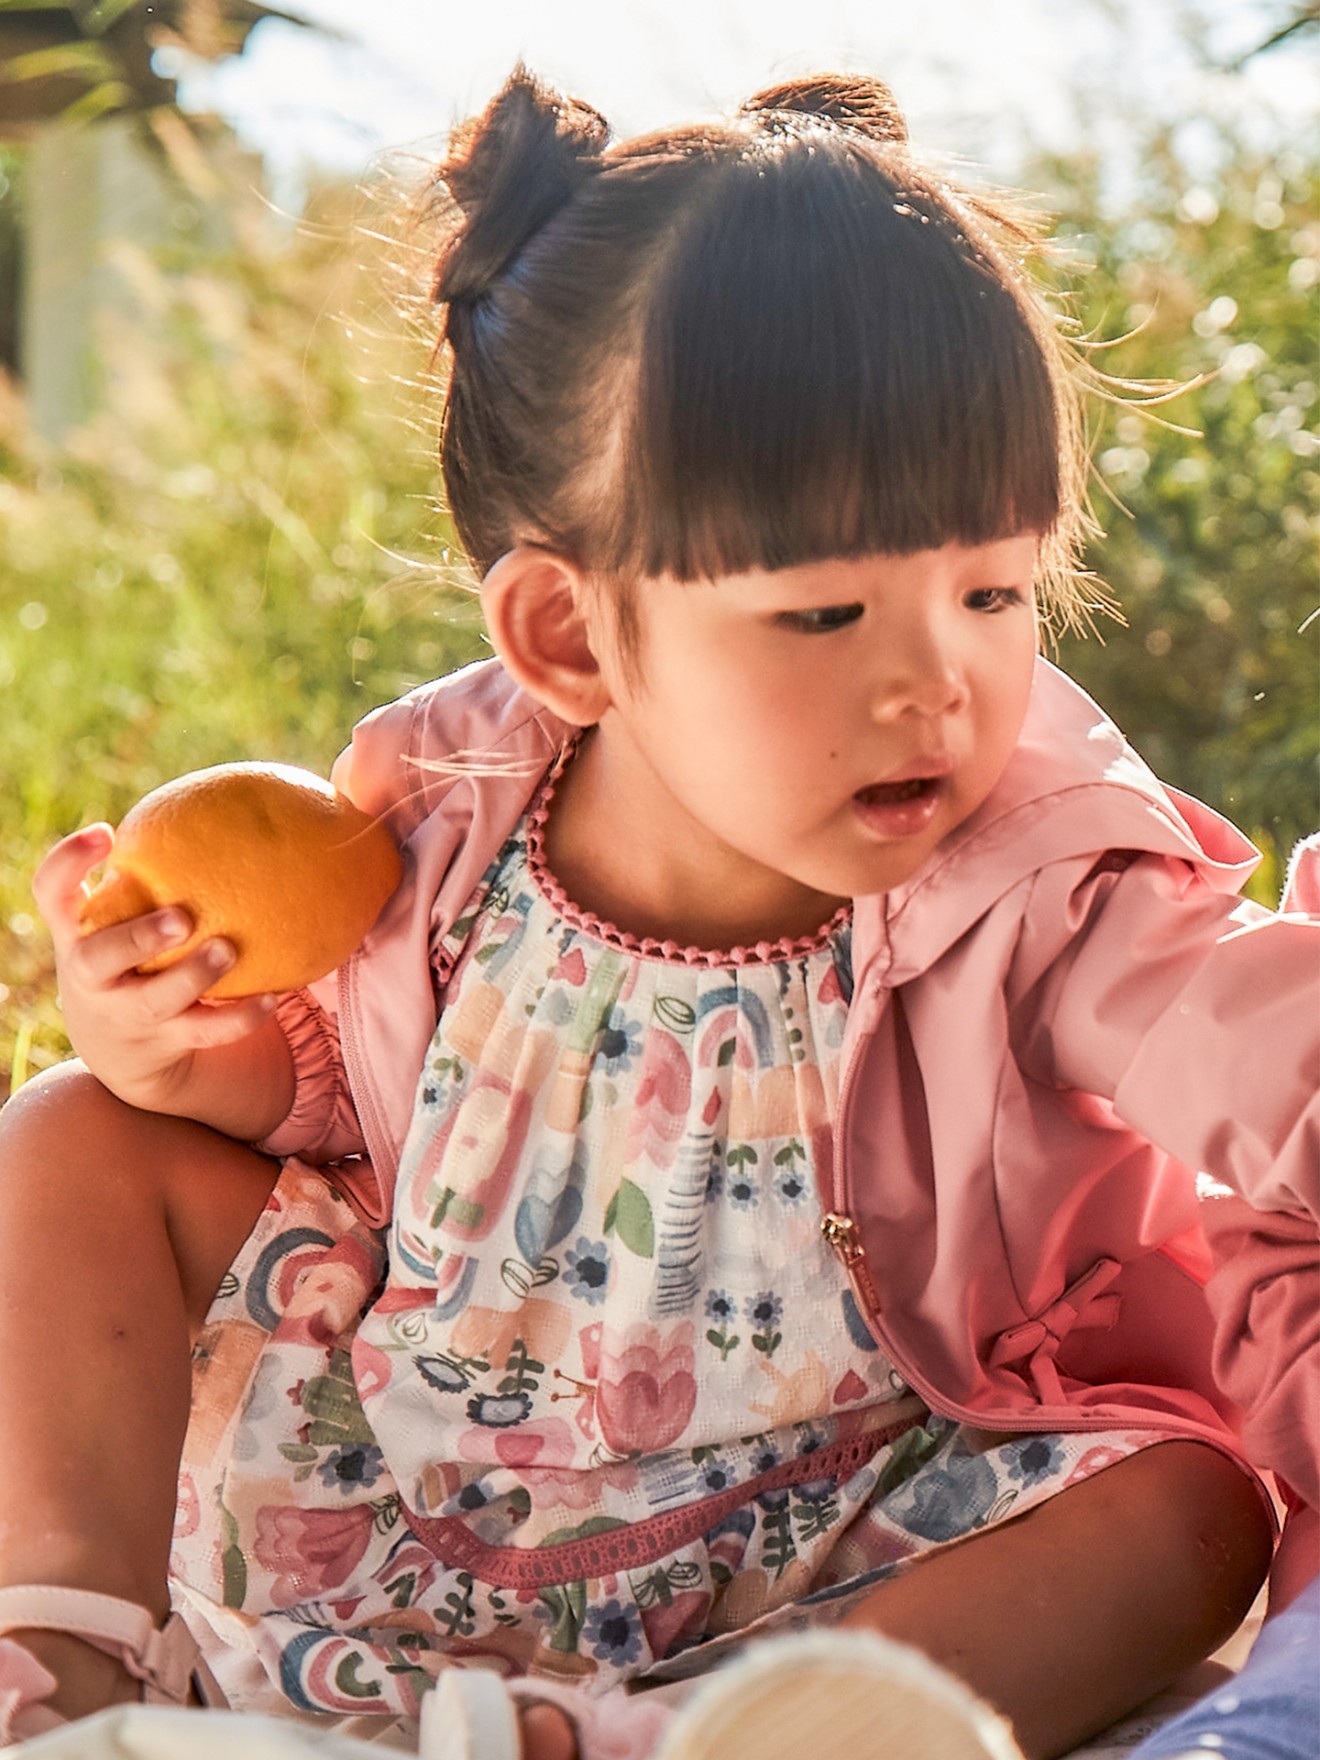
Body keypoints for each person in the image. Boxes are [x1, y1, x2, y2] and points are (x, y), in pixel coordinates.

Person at [0, 65, 1314, 1760]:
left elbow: (1231, 1021)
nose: (939, 681)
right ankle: (67, 1667)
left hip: (839, 1540)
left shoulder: (1027, 877)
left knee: (1191, 1507)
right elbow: (340, 1105)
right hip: (399, 1498)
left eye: (993, 588)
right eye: (827, 612)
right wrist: (173, 1047)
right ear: (567, 635)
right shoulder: (450, 830)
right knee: (69, 1135)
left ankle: (667, 1743)